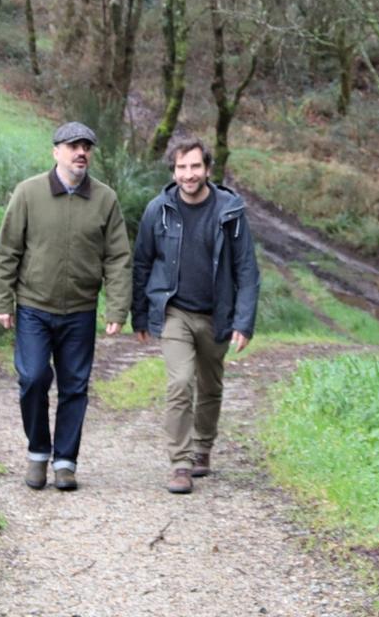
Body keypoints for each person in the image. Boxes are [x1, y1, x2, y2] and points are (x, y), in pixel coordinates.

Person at [0, 121, 132, 491]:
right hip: (35, 306)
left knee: (75, 387)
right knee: (33, 378)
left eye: (86, 146)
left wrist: (116, 308)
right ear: (56, 152)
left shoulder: (105, 199)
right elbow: (6, 251)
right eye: (72, 146)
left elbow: (117, 258)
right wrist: (2, 299)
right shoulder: (28, 193)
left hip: (81, 310)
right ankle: (38, 452)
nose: (80, 152)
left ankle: (65, 462)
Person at [132, 138, 260, 494]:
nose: (188, 175)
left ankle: (203, 447)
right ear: (173, 171)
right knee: (180, 382)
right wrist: (139, 316)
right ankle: (180, 463)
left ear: (207, 169)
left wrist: (243, 321)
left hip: (217, 315)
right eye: (181, 168)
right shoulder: (158, 210)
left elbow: (247, 270)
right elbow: (142, 263)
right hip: (175, 311)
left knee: (210, 385)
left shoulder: (230, 212)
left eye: (194, 167)